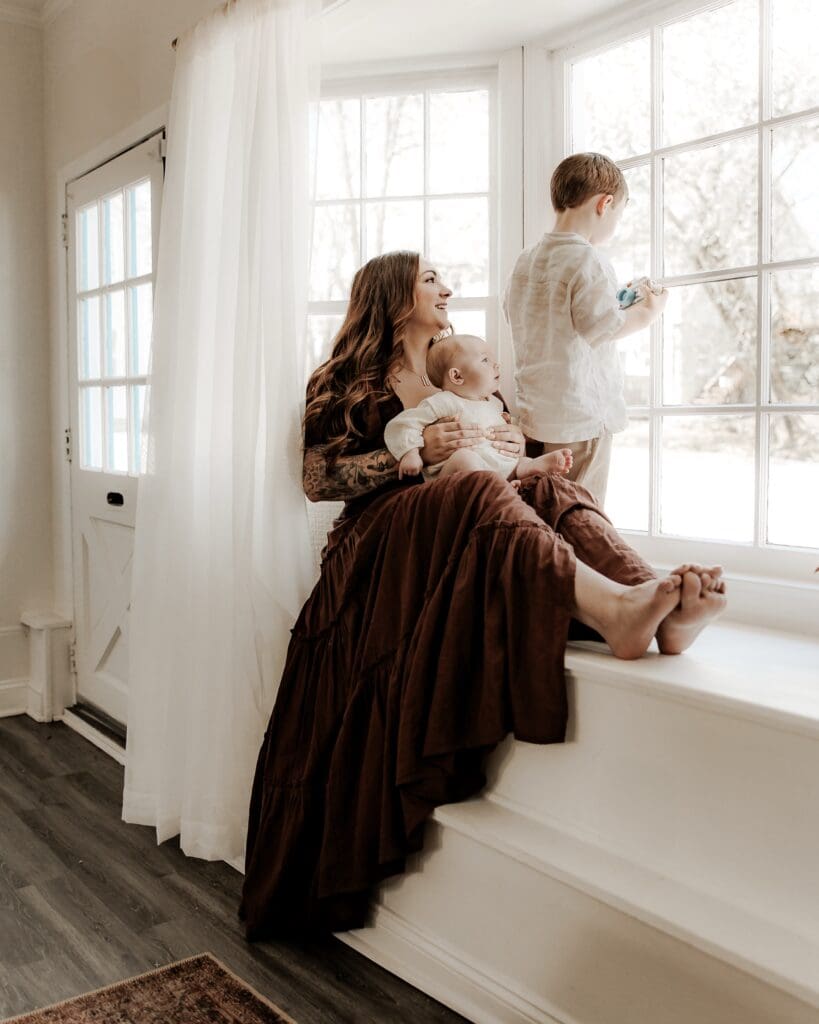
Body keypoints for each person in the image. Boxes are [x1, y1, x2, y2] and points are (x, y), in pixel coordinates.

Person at [239, 251, 725, 940]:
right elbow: (317, 481)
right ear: (392, 291)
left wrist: (505, 438)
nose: (447, 287)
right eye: (431, 277)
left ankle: (650, 596)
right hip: (378, 540)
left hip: (463, 508)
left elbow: (509, 450)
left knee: (547, 485)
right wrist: (408, 451)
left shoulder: (459, 363)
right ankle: (615, 612)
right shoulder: (346, 378)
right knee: (473, 484)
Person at [503, 151, 668, 504]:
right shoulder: (587, 257)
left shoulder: (526, 260)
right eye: (618, 213)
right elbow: (604, 327)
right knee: (580, 512)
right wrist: (650, 312)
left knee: (543, 509)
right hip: (581, 416)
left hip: (538, 413)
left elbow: (550, 318)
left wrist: (616, 300)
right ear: (605, 204)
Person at [383, 332, 573, 482]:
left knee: (521, 463)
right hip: (455, 479)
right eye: (485, 360)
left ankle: (525, 471)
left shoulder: (494, 403)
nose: (496, 364)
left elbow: (511, 434)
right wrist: (411, 452)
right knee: (465, 458)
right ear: (457, 377)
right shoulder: (445, 401)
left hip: (498, 470)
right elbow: (403, 424)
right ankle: (500, 486)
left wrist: (516, 432)